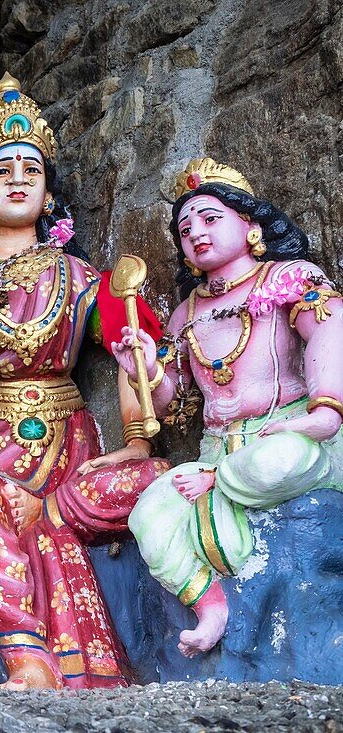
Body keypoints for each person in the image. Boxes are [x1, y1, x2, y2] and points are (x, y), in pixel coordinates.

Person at [0, 72, 168, 690]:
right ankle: (27, 657)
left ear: (50, 193)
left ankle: (51, 512)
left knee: (162, 480)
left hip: (68, 459)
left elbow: (134, 355)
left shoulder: (78, 276)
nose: (19, 178)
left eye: (32, 168)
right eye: (4, 170)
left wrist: (141, 415)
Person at [114, 158, 343, 657]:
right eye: (185, 226)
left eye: (211, 217)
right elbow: (168, 401)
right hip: (218, 450)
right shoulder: (186, 311)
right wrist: (146, 369)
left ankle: (224, 485)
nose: (196, 232)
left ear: (251, 225)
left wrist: (326, 410)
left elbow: (331, 326)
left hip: (288, 436)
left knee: (279, 460)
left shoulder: (288, 278)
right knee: (149, 513)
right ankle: (210, 604)